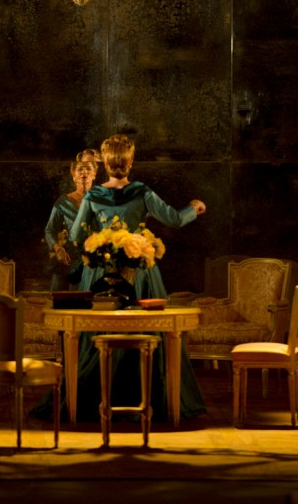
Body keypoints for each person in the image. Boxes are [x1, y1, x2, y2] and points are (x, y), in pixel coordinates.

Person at [64, 133, 208, 421]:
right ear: (129, 163)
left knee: (98, 332)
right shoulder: (142, 192)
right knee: (147, 328)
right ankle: (152, 398)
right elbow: (174, 219)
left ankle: (92, 400)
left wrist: (100, 238)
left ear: (105, 164)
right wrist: (194, 208)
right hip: (139, 270)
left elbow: (76, 235)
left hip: (101, 272)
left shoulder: (92, 196)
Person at [44, 149, 99, 291]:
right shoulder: (63, 202)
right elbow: (49, 229)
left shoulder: (102, 200)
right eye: (80, 169)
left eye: (88, 168)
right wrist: (58, 249)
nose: (84, 172)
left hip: (96, 258)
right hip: (70, 258)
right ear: (73, 174)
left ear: (94, 173)